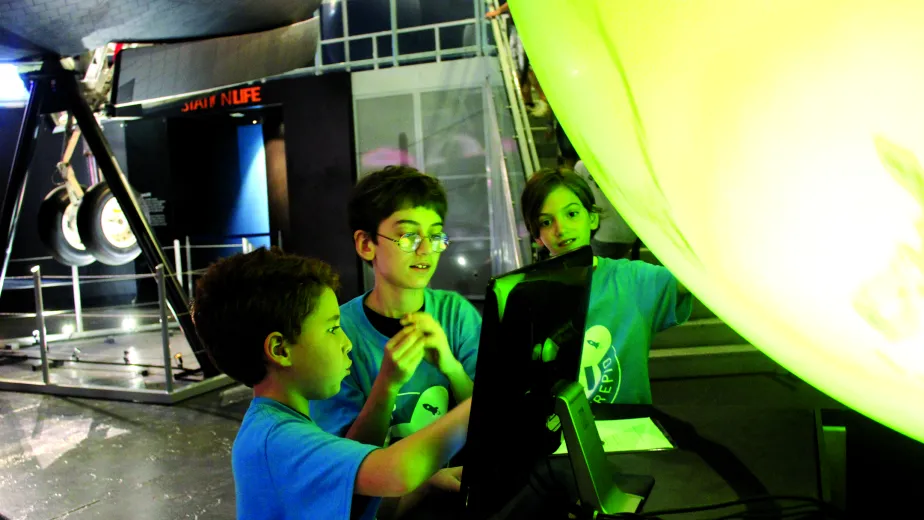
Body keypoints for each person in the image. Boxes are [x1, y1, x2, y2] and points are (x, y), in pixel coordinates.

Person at [192, 248, 472, 520]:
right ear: (280, 349)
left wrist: (426, 485)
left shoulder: (281, 424)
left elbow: (357, 503)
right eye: (332, 329)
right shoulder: (277, 440)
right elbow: (396, 473)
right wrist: (482, 401)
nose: (346, 344)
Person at [310, 165, 481, 447]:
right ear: (366, 244)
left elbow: (493, 421)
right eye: (408, 236)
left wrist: (452, 368)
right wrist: (386, 385)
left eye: (436, 235)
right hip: (390, 491)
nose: (425, 249)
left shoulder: (456, 314)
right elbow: (346, 457)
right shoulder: (339, 332)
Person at [520, 167, 693, 404]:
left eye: (572, 214)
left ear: (592, 218)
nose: (561, 229)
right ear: (537, 236)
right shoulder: (526, 294)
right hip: (556, 431)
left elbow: (695, 281)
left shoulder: (632, 279)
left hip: (628, 427)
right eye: (547, 222)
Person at [573, 159, 639, 260]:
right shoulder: (630, 165)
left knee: (595, 271)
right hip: (628, 234)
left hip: (602, 234)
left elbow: (577, 195)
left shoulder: (583, 166)